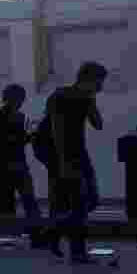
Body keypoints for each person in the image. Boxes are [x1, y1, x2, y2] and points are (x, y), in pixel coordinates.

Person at [43, 61, 107, 263]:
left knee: (91, 199)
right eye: (99, 81)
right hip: (59, 153)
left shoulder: (86, 98)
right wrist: (63, 163)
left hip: (79, 152)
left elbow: (98, 125)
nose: (101, 87)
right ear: (88, 78)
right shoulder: (60, 96)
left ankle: (54, 229)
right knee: (77, 202)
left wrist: (91, 101)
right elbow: (57, 131)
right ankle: (76, 251)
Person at [0, 84, 45, 247]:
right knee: (28, 202)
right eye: (20, 99)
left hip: (1, 165)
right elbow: (2, 141)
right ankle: (37, 237)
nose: (21, 102)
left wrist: (25, 138)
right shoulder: (17, 117)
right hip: (12, 165)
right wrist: (28, 138)